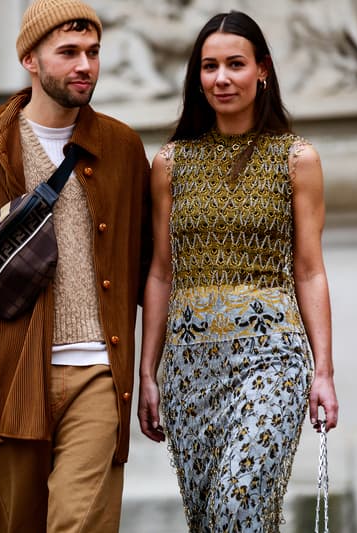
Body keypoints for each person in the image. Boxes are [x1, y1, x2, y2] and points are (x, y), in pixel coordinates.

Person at [0, 0, 151, 531]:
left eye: (93, 52)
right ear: (30, 61)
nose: (85, 65)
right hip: (12, 384)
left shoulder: (122, 149)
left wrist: (155, 369)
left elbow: (154, 267)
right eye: (68, 52)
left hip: (99, 376)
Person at [137, 10, 338, 532]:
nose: (221, 78)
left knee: (237, 504)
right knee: (211, 520)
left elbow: (310, 271)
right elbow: (160, 273)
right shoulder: (171, 163)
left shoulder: (297, 159)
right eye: (209, 67)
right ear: (197, 77)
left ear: (262, 70)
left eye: (235, 64)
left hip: (272, 358)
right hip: (189, 368)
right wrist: (147, 373)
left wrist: (324, 372)